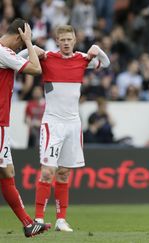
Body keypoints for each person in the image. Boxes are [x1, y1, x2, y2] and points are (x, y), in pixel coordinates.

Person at [28, 25, 110, 232]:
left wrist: (97, 49)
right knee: (47, 172)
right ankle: (38, 219)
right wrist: (30, 47)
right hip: (52, 123)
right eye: (62, 39)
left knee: (64, 173)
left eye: (69, 39)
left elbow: (106, 62)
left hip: (73, 124)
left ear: (74, 40)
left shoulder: (82, 59)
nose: (66, 43)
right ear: (57, 40)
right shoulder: (46, 57)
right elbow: (19, 58)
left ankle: (61, 220)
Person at [0, 18, 51, 237]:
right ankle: (28, 223)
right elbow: (35, 69)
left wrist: (25, 51)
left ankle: (29, 224)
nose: (20, 47)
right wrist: (30, 45)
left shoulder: (4, 54)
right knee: (6, 172)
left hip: (2, 124)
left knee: (6, 172)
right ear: (19, 36)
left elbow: (13, 60)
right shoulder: (2, 51)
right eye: (21, 43)